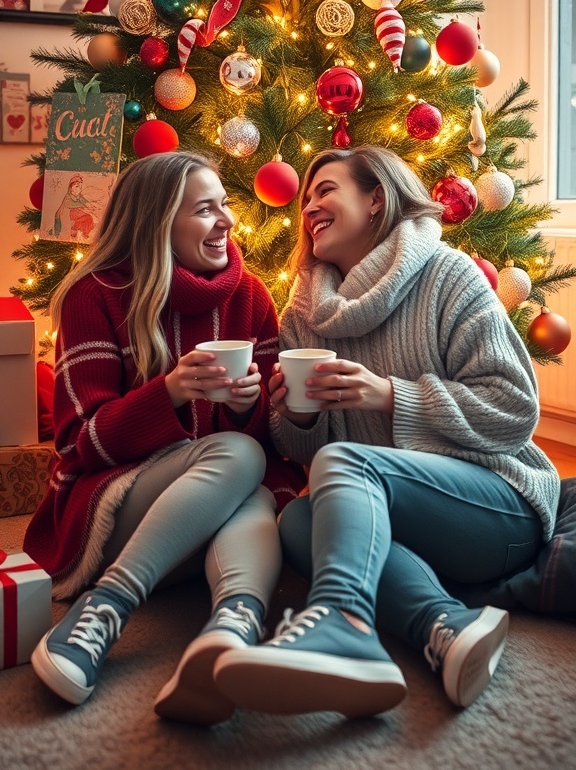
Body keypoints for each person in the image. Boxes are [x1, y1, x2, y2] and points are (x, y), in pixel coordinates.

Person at [213, 145, 561, 719]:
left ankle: (339, 618)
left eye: (326, 189)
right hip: (397, 508)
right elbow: (308, 454)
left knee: (347, 466)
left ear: (376, 198)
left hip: (500, 504)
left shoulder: (447, 275)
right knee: (299, 518)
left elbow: (515, 408)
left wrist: (390, 395)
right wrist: (298, 418)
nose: (310, 207)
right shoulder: (305, 312)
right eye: (305, 199)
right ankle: (444, 626)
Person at [24, 149, 304, 725]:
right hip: (112, 514)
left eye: (224, 204)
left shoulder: (250, 297)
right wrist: (171, 392)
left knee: (247, 474)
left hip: (205, 508)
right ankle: (107, 605)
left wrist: (252, 405)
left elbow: (272, 449)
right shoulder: (93, 295)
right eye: (205, 209)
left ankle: (230, 632)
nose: (227, 220)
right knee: (238, 457)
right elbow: (80, 443)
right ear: (156, 222)